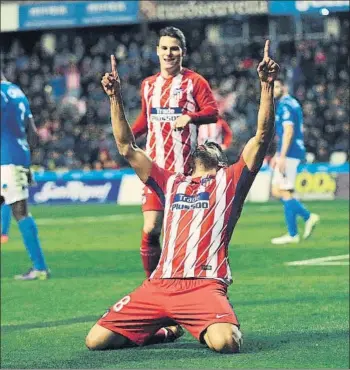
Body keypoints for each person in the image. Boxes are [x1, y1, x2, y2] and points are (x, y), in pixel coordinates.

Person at [85, 40, 279, 353]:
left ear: (222, 163)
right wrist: (115, 97)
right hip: (159, 285)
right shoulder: (171, 181)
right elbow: (127, 147)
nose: (207, 144)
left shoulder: (230, 181)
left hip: (203, 286)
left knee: (227, 343)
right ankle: (167, 331)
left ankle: (192, 322)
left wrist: (267, 87)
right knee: (95, 341)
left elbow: (262, 136)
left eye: (215, 147)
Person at [131, 26, 219, 278]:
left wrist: (191, 117)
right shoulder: (148, 85)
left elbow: (212, 112)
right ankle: (151, 283)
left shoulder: (194, 82)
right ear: (157, 51)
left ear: (182, 52)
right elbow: (145, 120)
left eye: (174, 48)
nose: (169, 53)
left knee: (180, 235)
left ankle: (184, 282)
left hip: (184, 173)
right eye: (165, 48)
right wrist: (124, 135)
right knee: (151, 228)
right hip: (154, 170)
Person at [0, 71, 50, 280]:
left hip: (5, 159)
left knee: (20, 211)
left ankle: (40, 268)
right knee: (15, 208)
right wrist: (26, 163)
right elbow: (32, 134)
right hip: (16, 157)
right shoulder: (17, 92)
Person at [270, 78, 320, 245]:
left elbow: (288, 132)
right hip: (291, 152)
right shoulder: (293, 103)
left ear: (283, 87)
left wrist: (282, 156)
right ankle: (293, 233)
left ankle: (307, 218)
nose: (274, 90)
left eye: (276, 86)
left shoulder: (285, 106)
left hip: (290, 153)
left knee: (281, 190)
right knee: (282, 191)